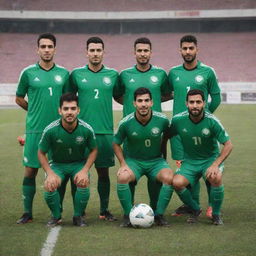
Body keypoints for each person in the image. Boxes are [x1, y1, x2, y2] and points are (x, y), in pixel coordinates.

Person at [15, 33, 69, 224]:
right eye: (43, 46)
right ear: (37, 49)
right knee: (30, 171)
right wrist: (33, 111)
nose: (46, 50)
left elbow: (68, 100)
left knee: (56, 171)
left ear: (55, 49)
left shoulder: (63, 74)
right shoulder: (28, 73)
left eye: (50, 46)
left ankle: (58, 211)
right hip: (34, 130)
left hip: (58, 131)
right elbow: (19, 97)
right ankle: (27, 212)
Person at [168, 34, 221, 218]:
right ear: (180, 50)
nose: (188, 51)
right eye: (185, 48)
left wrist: (205, 117)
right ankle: (193, 205)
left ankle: (212, 206)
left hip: (202, 129)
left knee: (207, 168)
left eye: (191, 48)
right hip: (179, 133)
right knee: (187, 168)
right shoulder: (173, 73)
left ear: (197, 49)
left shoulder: (208, 72)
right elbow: (166, 93)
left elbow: (216, 96)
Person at [115, 37, 171, 212]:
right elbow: (117, 95)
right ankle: (128, 212)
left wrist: (148, 108)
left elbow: (168, 94)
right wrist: (134, 111)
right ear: (134, 53)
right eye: (139, 51)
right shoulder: (124, 75)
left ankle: (157, 211)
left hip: (154, 130)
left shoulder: (161, 74)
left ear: (151, 53)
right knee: (128, 174)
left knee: (157, 176)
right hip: (132, 131)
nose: (142, 54)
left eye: (146, 50)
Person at [68, 37, 119, 221]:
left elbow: (120, 96)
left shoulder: (113, 75)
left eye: (99, 50)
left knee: (103, 172)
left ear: (104, 52)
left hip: (105, 132)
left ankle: (104, 209)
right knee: (79, 171)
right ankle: (79, 210)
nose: (95, 53)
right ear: (86, 52)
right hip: (81, 132)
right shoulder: (76, 74)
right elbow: (69, 99)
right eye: (92, 50)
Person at [165, 89, 232, 225]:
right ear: (186, 104)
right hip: (189, 161)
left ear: (204, 103)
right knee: (176, 183)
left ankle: (216, 214)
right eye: (191, 102)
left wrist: (215, 164)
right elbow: (166, 135)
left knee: (215, 177)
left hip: (210, 160)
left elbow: (229, 145)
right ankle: (195, 209)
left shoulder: (212, 121)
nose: (195, 105)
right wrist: (161, 156)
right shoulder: (178, 120)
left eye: (198, 102)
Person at [113, 87, 174, 227]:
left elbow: (168, 136)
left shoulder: (163, 120)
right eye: (140, 101)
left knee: (169, 177)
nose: (143, 104)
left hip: (156, 161)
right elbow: (116, 144)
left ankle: (159, 215)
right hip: (134, 162)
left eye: (146, 100)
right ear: (134, 103)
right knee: (122, 177)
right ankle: (128, 215)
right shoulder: (126, 122)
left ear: (152, 102)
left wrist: (164, 157)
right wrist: (123, 164)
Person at [38, 93, 97, 226]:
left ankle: (78, 216)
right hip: (57, 165)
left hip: (78, 165)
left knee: (83, 181)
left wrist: (85, 170)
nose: (69, 112)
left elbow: (94, 150)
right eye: (66, 109)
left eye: (72, 108)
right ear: (60, 110)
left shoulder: (86, 129)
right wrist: (50, 173)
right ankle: (56, 215)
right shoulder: (50, 130)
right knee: (49, 184)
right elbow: (41, 153)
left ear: (78, 110)